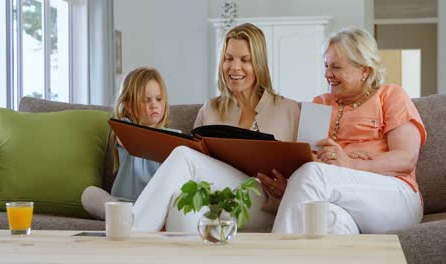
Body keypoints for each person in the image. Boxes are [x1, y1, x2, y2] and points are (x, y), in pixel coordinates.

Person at [131, 23, 300, 232]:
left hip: (266, 206)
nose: (234, 67)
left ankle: (129, 238)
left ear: (259, 63)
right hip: (216, 200)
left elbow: (306, 172)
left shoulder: (288, 109)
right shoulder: (210, 109)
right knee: (180, 202)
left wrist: (288, 189)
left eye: (245, 60)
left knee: (183, 156)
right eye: (228, 58)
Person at [257, 27, 426, 234]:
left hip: (395, 196)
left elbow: (406, 159)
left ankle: (274, 256)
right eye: (326, 65)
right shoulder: (320, 104)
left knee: (313, 174)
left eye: (336, 67)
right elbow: (305, 162)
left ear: (365, 70)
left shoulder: (390, 95)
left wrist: (350, 163)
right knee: (329, 221)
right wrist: (292, 187)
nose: (327, 74)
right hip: (343, 201)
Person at [81, 67, 176, 220]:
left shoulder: (174, 137)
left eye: (159, 99)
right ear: (128, 105)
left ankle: (133, 218)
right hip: (122, 203)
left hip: (154, 204)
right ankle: (128, 217)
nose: (154, 105)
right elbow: (131, 137)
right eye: (146, 100)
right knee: (89, 194)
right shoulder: (124, 127)